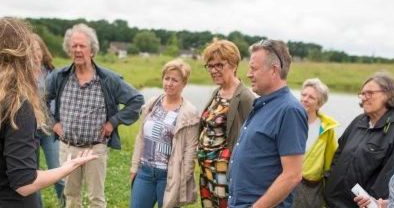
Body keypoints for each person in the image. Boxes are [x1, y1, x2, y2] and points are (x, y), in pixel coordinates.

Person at [0, 17, 97, 208]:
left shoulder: (104, 78)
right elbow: (24, 183)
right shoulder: (16, 106)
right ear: (23, 55)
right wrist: (67, 168)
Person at [46, 23, 144, 208]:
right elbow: (39, 101)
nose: (77, 50)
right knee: (71, 196)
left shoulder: (108, 79)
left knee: (96, 199)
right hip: (68, 148)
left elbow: (137, 100)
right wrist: (53, 123)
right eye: (73, 46)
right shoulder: (60, 77)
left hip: (95, 149)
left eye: (82, 46)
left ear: (92, 51)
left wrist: (113, 122)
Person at [228, 39, 308, 208]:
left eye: (253, 69)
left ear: (273, 70)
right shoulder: (263, 104)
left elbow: (292, 175)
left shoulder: (289, 110)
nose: (249, 74)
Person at [130, 59, 199, 208]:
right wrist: (134, 167)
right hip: (145, 172)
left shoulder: (189, 112)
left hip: (169, 177)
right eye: (167, 78)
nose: (169, 83)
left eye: (175, 80)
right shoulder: (152, 103)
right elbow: (141, 138)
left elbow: (190, 152)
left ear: (184, 84)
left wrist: (182, 179)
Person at [325, 72, 394, 207]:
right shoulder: (359, 121)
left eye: (370, 93)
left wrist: (373, 202)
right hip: (334, 201)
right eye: (362, 94)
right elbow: (339, 154)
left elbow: (391, 174)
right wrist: (329, 180)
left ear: (389, 94)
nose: (364, 98)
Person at [198, 40, 255, 208]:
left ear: (234, 65)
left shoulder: (245, 97)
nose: (214, 70)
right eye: (210, 66)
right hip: (205, 167)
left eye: (219, 65)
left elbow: (250, 139)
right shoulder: (218, 92)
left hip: (224, 171)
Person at [292, 78, 338, 208]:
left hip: (311, 190)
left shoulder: (327, 130)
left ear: (319, 104)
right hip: (285, 184)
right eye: (303, 95)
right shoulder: (289, 121)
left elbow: (331, 165)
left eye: (311, 97)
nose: (305, 99)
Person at [31, 33, 65, 206]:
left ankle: (65, 203)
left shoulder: (53, 74)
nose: (35, 54)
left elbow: (61, 101)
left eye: (37, 50)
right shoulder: (22, 74)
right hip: (29, 131)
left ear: (43, 51)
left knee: (57, 171)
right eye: (30, 50)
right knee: (31, 176)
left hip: (50, 130)